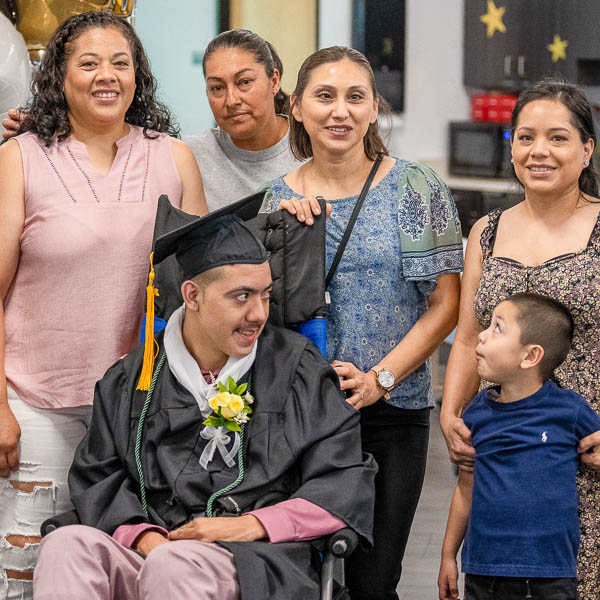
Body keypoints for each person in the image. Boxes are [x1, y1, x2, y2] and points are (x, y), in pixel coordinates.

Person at [32, 197, 377, 600]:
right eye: (241, 296)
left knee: (173, 566)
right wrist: (147, 539)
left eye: (266, 295)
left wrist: (246, 526)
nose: (259, 314)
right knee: (66, 546)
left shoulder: (295, 371)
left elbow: (343, 478)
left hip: (255, 563)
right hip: (154, 550)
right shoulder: (134, 377)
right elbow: (99, 477)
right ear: (192, 296)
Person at [0, 11, 206, 595]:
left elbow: (203, 288)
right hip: (39, 403)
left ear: (138, 74)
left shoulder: (173, 157)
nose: (106, 76)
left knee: (125, 564)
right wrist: (0, 408)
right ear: (58, 77)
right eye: (87, 63)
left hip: (144, 411)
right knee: (26, 564)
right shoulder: (20, 157)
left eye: (120, 63)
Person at [262, 46, 463, 600]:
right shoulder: (275, 201)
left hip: (392, 416)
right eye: (324, 96)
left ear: (375, 108)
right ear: (297, 107)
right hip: (299, 423)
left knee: (375, 582)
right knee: (301, 579)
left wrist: (383, 378)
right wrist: (282, 240)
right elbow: (261, 316)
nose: (340, 111)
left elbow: (445, 303)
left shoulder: (415, 189)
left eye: (356, 97)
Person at [439, 79, 600, 599]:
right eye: (525, 136)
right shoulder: (487, 231)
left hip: (587, 444)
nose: (539, 151)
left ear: (586, 149)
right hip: (508, 449)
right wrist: (451, 412)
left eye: (558, 137)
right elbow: (466, 337)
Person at [3, 29, 302, 212]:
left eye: (245, 82)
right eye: (217, 88)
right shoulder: (189, 155)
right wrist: (44, 127)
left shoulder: (312, 148)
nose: (232, 99)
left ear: (274, 80)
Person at [438, 293, 600, 600]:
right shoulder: (477, 414)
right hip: (484, 573)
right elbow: (465, 486)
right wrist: (448, 555)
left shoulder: (570, 410)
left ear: (530, 356)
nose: (482, 336)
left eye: (497, 327)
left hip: (550, 574)